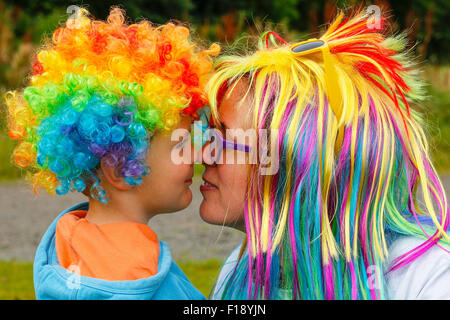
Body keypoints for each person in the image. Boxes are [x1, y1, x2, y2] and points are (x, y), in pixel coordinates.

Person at [199, 10, 450, 299]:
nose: (205, 153)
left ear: (298, 160)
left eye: (226, 139)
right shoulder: (242, 271)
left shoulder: (425, 276)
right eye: (209, 134)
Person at [5, 7, 219, 299]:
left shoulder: (66, 247)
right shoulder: (145, 285)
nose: (197, 154)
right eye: (180, 144)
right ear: (119, 168)